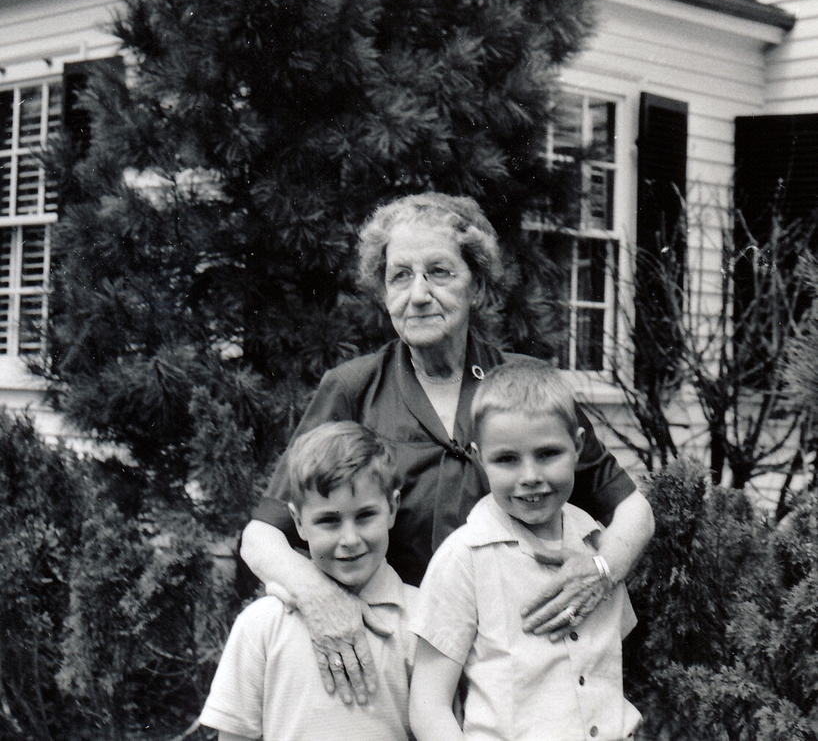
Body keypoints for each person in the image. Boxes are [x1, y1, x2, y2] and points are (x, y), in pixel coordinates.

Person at [241, 191, 654, 706]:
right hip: (387, 659)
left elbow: (632, 509)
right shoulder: (353, 387)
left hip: (508, 674)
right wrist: (320, 598)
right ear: (383, 291)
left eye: (439, 272)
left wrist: (599, 571)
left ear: (476, 283)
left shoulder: (522, 388)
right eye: (400, 276)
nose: (418, 295)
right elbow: (263, 536)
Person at [409, 359, 642, 741]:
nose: (530, 477)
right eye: (507, 459)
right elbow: (428, 706)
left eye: (548, 454)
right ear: (479, 457)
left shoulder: (598, 545)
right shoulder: (464, 558)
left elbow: (605, 666)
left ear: (578, 446)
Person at [200, 422, 417, 741]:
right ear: (299, 521)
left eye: (365, 516)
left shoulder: (422, 619)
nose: (350, 539)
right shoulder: (261, 625)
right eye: (329, 521)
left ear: (392, 508)